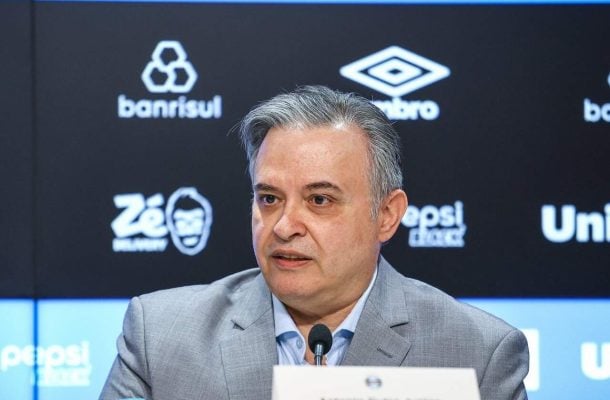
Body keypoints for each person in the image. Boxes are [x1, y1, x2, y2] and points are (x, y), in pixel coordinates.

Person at [100, 86, 529, 400]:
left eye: (319, 200)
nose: (285, 226)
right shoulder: (160, 336)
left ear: (386, 215)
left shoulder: (479, 354)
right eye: (269, 199)